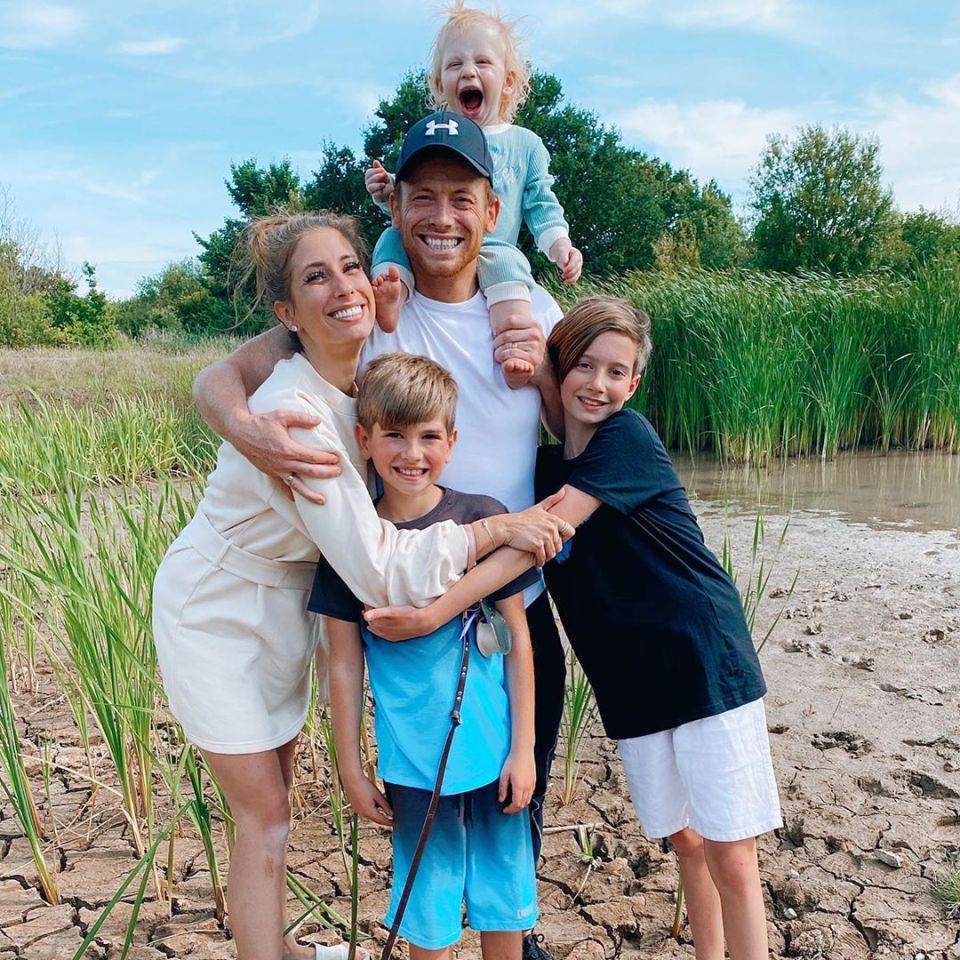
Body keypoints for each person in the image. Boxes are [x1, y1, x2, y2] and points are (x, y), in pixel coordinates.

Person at [193, 112, 572, 960]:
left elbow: (587, 421)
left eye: (463, 197)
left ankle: (515, 934)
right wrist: (242, 428)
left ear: (494, 205)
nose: (443, 216)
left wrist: (545, 370)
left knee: (515, 792)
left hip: (511, 589)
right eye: (422, 197)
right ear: (394, 205)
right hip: (404, 593)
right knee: (426, 808)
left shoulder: (530, 309)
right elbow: (226, 374)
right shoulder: (378, 323)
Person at [366, 296, 783, 960]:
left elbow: (540, 537)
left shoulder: (627, 440)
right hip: (631, 682)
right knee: (685, 842)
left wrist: (434, 611)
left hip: (703, 660)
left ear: (635, 384)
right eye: (583, 366)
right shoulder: (549, 465)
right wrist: (534, 373)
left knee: (731, 853)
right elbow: (542, 482)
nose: (599, 384)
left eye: (617, 372)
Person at [317, 352, 538, 960]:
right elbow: (341, 662)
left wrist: (523, 751)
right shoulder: (352, 544)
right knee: (427, 909)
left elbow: (517, 643)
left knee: (503, 899)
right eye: (393, 435)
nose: (411, 453)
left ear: (452, 441)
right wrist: (350, 768)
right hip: (413, 764)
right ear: (364, 440)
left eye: (428, 437)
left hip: (493, 753)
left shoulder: (483, 518)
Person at [364, 0, 583, 389]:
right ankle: (393, 294)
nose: (469, 71)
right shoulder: (426, 135)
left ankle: (512, 350)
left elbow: (541, 203)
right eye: (455, 65)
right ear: (439, 84)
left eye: (482, 62)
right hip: (415, 274)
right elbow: (409, 206)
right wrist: (387, 193)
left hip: (497, 249)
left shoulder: (525, 145)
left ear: (508, 80)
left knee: (509, 267)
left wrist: (560, 246)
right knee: (390, 241)